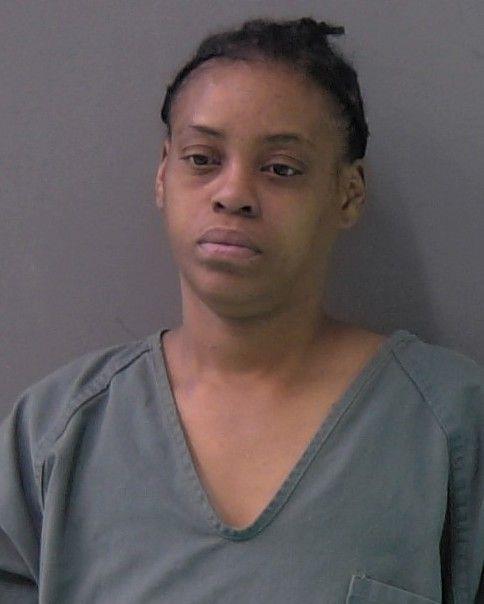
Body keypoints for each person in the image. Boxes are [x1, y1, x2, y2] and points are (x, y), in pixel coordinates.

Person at [0, 16, 482, 604]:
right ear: (163, 174)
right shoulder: (54, 434)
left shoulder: (447, 424)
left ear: (348, 193)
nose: (232, 194)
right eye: (202, 159)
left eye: (281, 169)